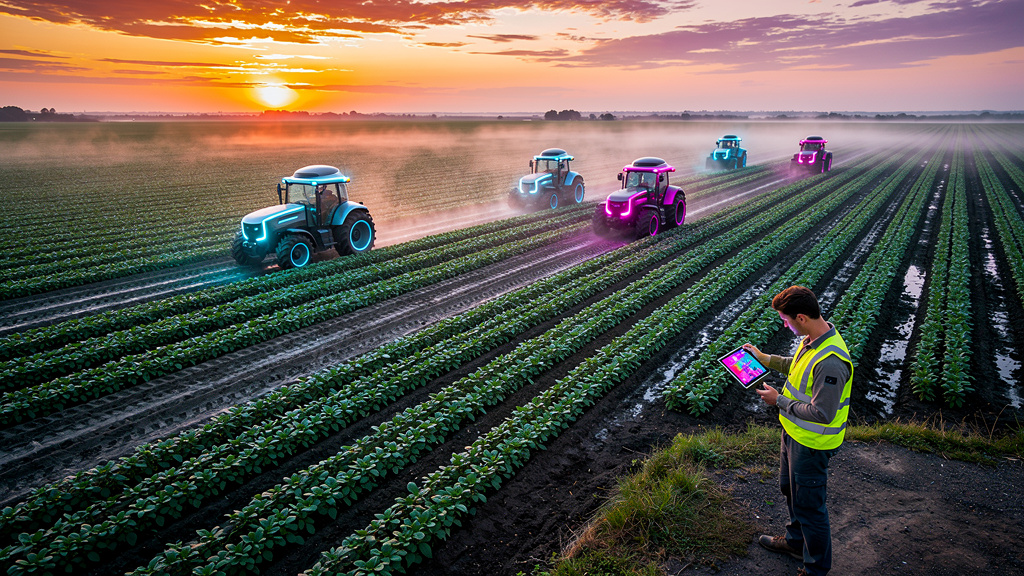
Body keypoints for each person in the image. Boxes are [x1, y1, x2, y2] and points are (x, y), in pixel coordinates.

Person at [742, 285, 853, 576]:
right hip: (793, 434)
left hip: (812, 443)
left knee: (809, 506)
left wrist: (778, 400)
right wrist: (765, 358)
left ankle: (815, 569)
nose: (784, 324)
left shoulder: (831, 362)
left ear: (801, 317)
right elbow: (796, 367)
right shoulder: (813, 339)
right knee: (790, 491)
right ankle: (794, 542)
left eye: (786, 319)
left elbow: (823, 414)